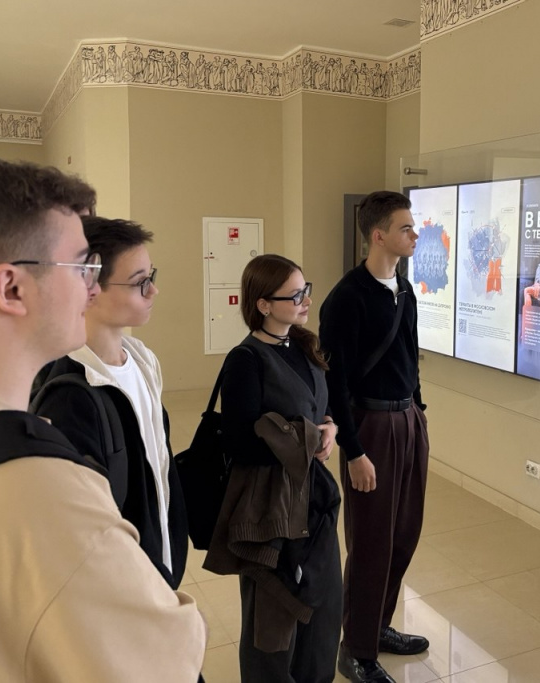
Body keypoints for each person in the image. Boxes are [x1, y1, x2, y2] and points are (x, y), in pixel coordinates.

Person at [0, 159, 206, 682]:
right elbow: (168, 659)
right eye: (81, 267)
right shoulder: (47, 496)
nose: (91, 288)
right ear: (11, 288)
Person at [32, 216, 189, 589]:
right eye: (139, 282)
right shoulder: (69, 394)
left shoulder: (143, 360)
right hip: (121, 583)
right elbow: (80, 533)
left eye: (152, 277)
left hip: (160, 562)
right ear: (88, 287)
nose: (153, 291)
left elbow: (158, 466)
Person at [209, 254, 342, 682]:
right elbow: (239, 443)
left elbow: (319, 409)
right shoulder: (245, 360)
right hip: (270, 506)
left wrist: (330, 428)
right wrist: (305, 440)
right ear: (263, 304)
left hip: (314, 498)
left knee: (322, 606)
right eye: (295, 295)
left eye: (306, 290)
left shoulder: (304, 346)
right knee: (273, 617)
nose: (306, 301)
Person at [320, 191, 431, 683]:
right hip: (371, 426)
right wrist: (354, 451)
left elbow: (410, 352)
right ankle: (356, 649)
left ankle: (378, 626)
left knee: (403, 534)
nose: (415, 234)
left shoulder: (403, 289)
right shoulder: (347, 298)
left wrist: (418, 410)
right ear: (379, 235)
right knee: (371, 542)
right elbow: (335, 381)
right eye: (406, 227)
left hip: (408, 421)